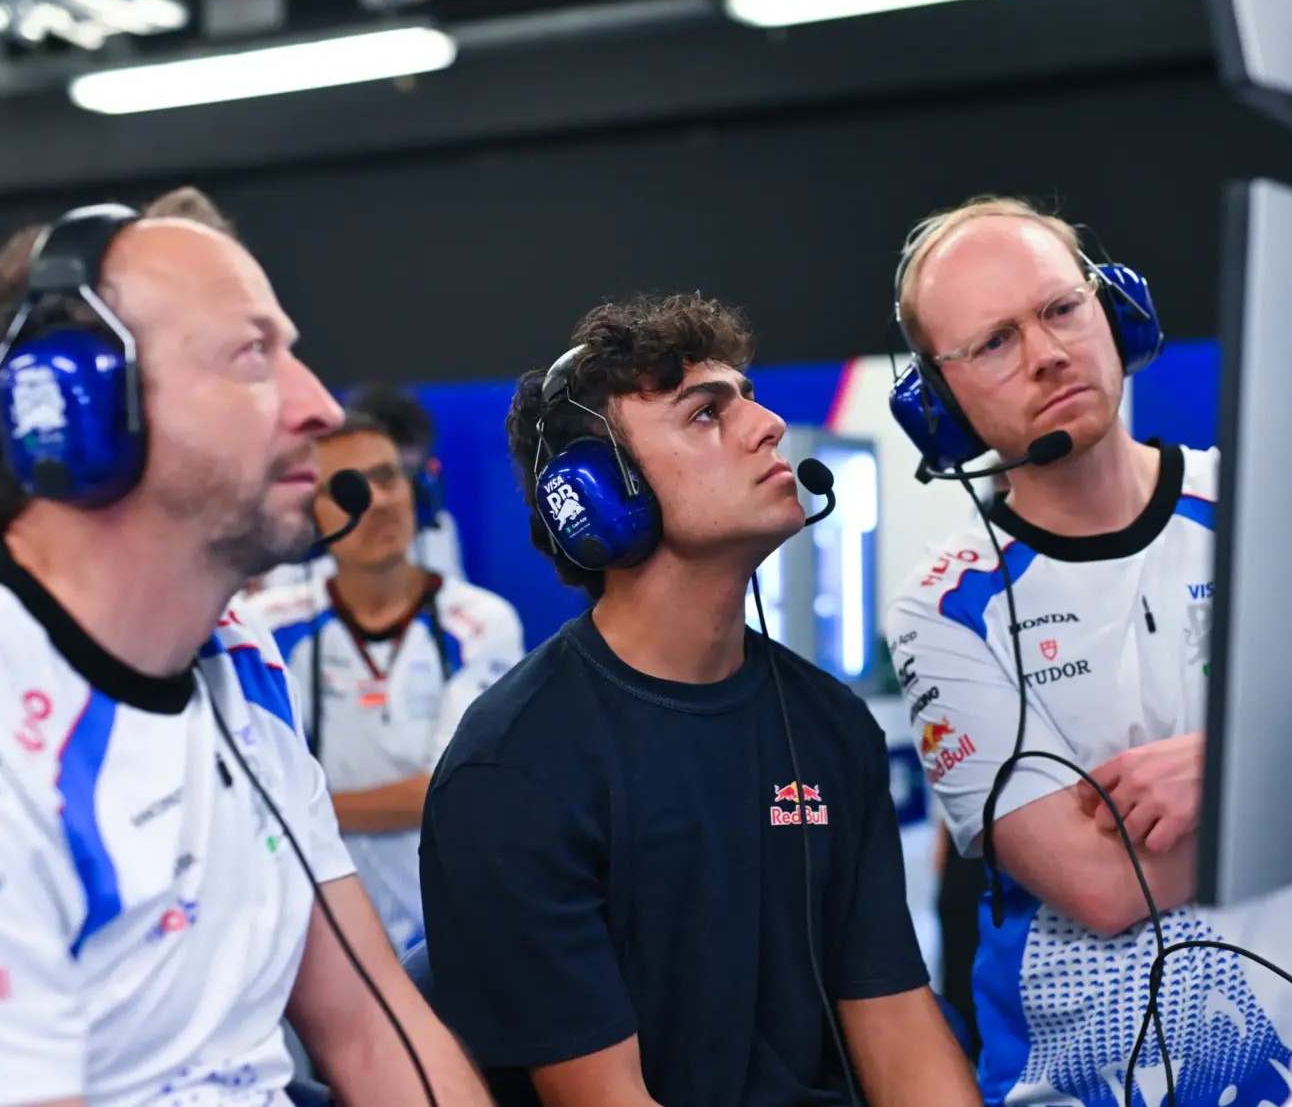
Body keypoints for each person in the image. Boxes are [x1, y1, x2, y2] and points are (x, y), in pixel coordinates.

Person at [0, 187, 490, 1106]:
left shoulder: (238, 659)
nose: (317, 407)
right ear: (79, 413)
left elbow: (371, 1028)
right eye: (253, 355)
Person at [883, 195, 1292, 1107]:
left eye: (1061, 308)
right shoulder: (943, 607)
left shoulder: (1274, 512)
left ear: (1116, 312)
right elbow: (1099, 885)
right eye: (995, 342)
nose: (1047, 353)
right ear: (939, 403)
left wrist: (1231, 768)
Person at [417, 293, 980, 1107]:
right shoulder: (514, 768)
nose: (769, 425)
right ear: (601, 496)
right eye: (707, 413)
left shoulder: (830, 726)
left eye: (748, 398)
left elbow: (895, 1023)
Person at [241, 409, 524, 953]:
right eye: (350, 487)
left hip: (454, 938)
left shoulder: (482, 623)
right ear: (309, 515)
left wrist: (297, 809)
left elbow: (454, 791)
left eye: (388, 477)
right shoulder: (263, 629)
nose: (379, 501)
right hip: (314, 945)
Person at [248, 382, 468, 597]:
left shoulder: (438, 532)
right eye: (362, 481)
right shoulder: (282, 583)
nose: (380, 500)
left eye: (389, 476)